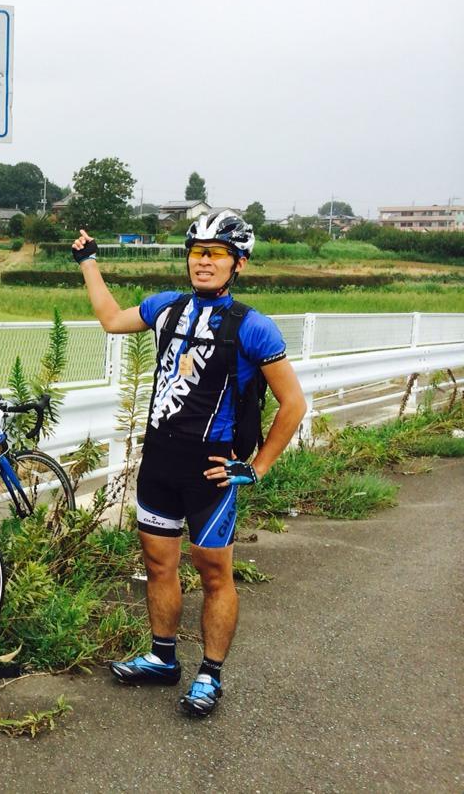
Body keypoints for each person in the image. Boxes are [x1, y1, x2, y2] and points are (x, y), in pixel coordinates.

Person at [71, 210, 307, 717]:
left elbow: (294, 405)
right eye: (197, 252)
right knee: (158, 564)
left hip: (211, 470)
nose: (203, 262)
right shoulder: (166, 308)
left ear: (237, 262)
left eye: (216, 253)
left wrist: (258, 467)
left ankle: (211, 674)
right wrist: (88, 262)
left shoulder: (254, 327)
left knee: (214, 572)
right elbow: (113, 321)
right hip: (160, 460)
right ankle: (162, 658)